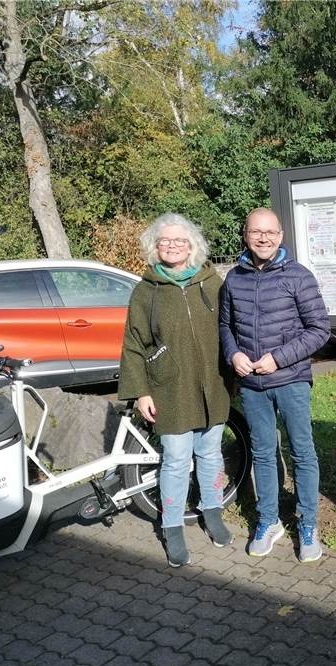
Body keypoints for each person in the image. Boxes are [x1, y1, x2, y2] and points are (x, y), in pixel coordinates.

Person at [118, 213, 233, 568]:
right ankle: (171, 527)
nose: (172, 246)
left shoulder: (212, 283)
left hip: (213, 382)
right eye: (165, 241)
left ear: (192, 246)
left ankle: (212, 511)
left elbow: (233, 327)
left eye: (179, 241)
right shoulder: (146, 290)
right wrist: (141, 391)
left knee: (211, 453)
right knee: (177, 459)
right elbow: (134, 343)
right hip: (168, 387)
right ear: (155, 247)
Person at [219, 207, 330, 562]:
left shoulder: (298, 276)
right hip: (251, 383)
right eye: (256, 232)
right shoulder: (233, 279)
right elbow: (224, 327)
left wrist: (279, 358)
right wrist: (233, 354)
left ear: (280, 236)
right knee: (264, 453)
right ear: (246, 235)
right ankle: (269, 521)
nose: (263, 238)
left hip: (291, 380)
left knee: (302, 452)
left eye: (269, 232)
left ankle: (308, 524)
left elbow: (319, 330)